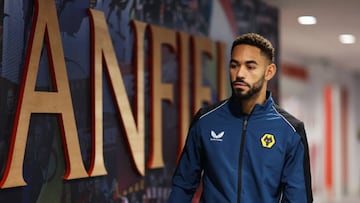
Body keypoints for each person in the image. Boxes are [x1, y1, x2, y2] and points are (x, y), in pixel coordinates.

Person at [167, 33, 313, 202]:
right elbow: (183, 185)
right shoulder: (205, 120)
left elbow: (298, 198)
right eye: (234, 65)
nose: (240, 74)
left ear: (269, 71)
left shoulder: (290, 131)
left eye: (250, 67)